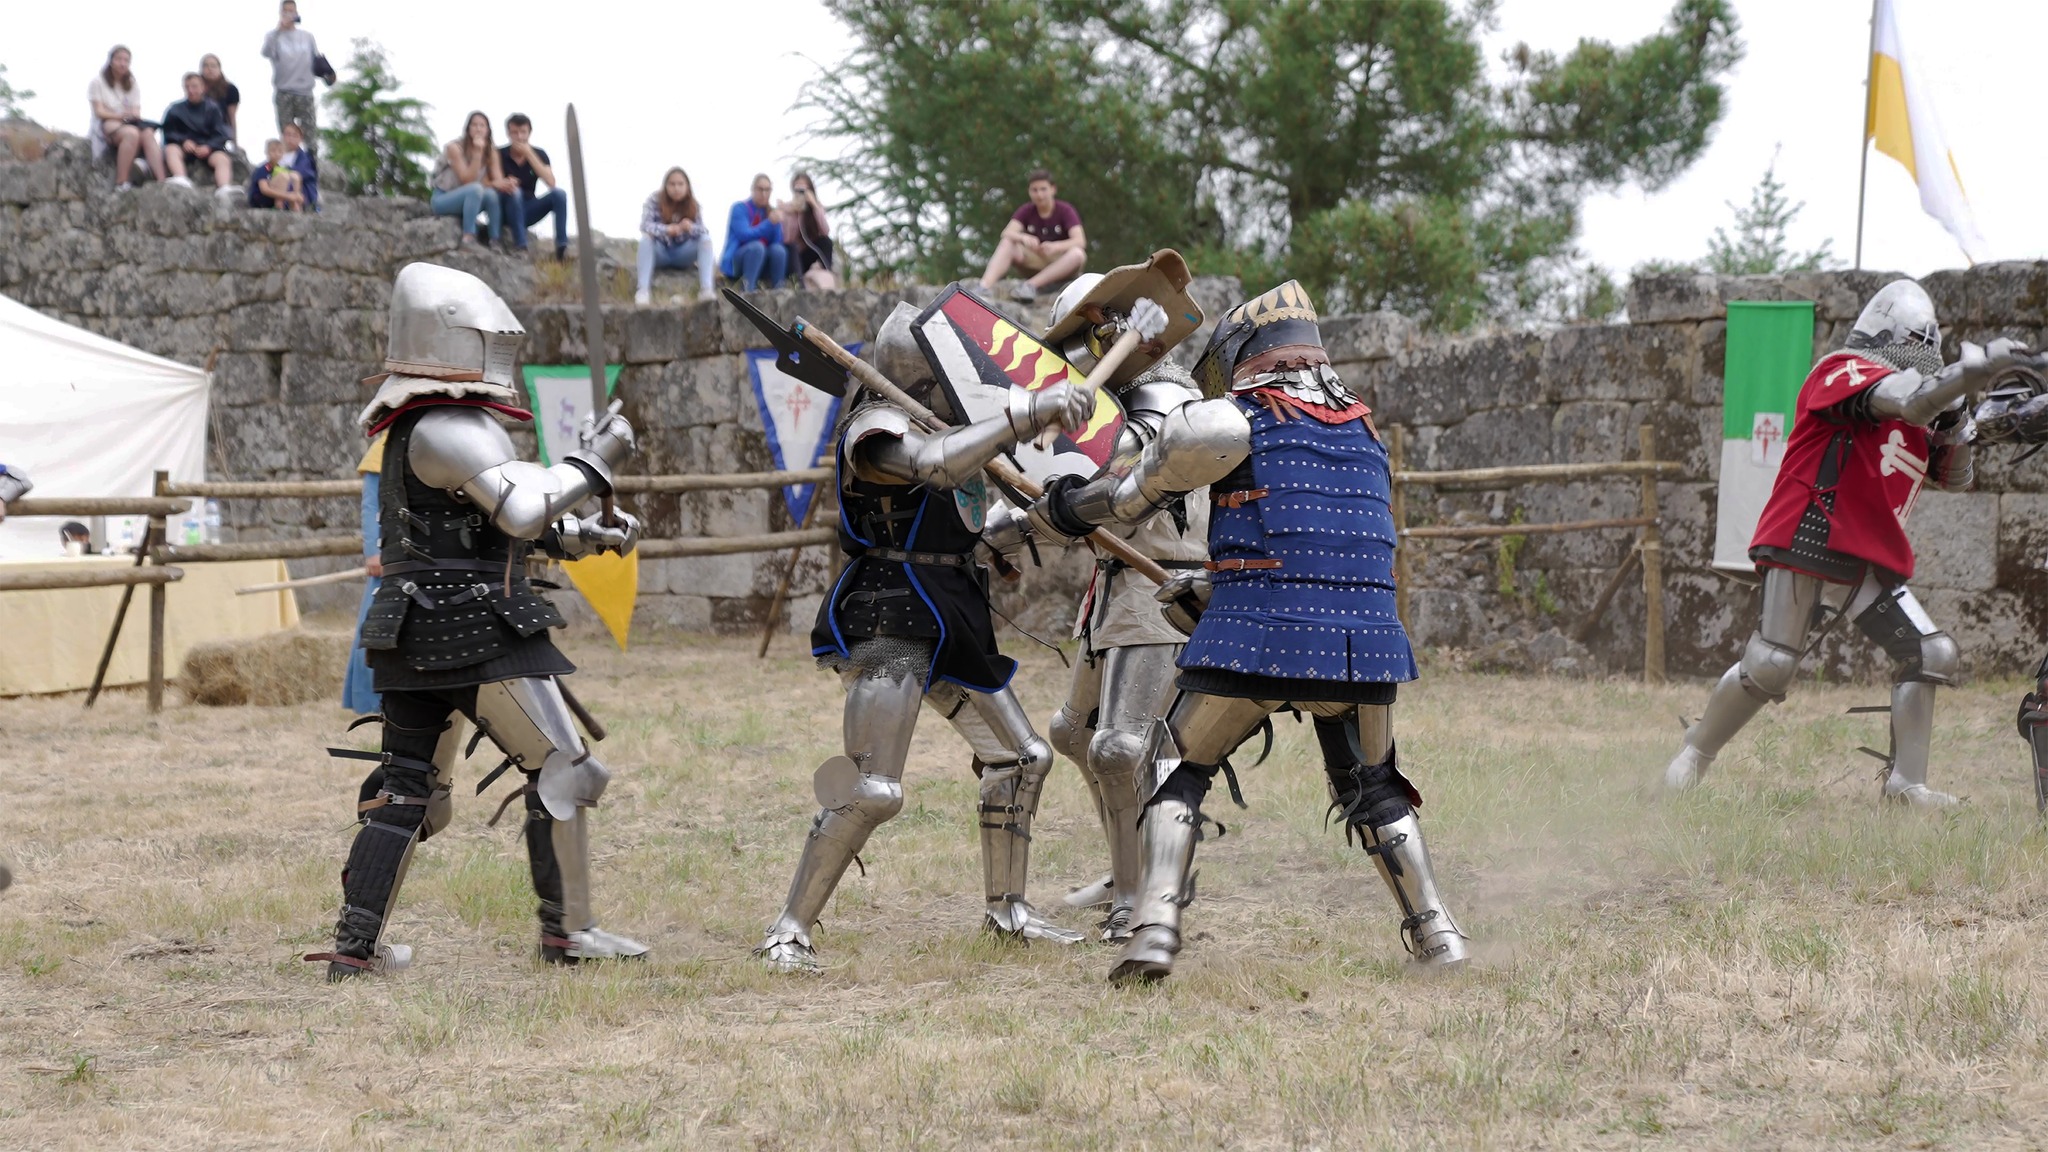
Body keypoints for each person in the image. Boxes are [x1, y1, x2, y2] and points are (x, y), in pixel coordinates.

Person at [1025, 281, 1466, 984]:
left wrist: (1057, 509)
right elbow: (1320, 547)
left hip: (1265, 635)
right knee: (1375, 783)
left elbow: (1128, 499)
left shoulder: (1228, 421)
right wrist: (1207, 587)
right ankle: (1437, 932)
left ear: (1241, 351)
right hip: (1368, 644)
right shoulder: (1363, 428)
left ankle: (1154, 932)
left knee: (1173, 765)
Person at [305, 261, 649, 980]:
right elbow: (523, 508)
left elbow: (485, 528)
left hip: (410, 626)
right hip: (474, 627)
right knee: (564, 770)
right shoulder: (449, 424)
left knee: (409, 790)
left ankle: (355, 950)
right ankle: (570, 933)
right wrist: (596, 458)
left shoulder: (416, 429)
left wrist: (585, 536)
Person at [755, 303, 1099, 972]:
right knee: (871, 787)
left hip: (952, 606)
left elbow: (981, 523)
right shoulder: (874, 427)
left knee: (1022, 758)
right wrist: (1028, 413)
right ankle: (788, 927)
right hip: (891, 610)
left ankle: (1009, 911)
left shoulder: (961, 431)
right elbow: (934, 467)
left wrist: (1062, 508)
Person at [1666, 281, 2034, 808]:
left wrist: (1957, 417)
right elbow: (1906, 402)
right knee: (1771, 664)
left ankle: (1907, 787)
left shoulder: (1926, 408)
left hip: (1866, 553)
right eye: (1917, 342)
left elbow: (1954, 476)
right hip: (1809, 531)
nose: (1922, 354)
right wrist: (1965, 376)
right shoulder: (1842, 370)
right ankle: (1692, 758)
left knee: (1932, 652)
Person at [987, 273, 1208, 941]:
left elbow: (1111, 494)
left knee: (1120, 749)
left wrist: (1026, 521)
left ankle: (1143, 898)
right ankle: (1129, 866)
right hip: (1119, 583)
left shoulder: (1162, 402)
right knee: (1072, 734)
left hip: (1159, 587)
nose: (1083, 356)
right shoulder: (1129, 401)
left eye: (1088, 339)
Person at [977, 170, 1086, 303]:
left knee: (1078, 254)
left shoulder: (1065, 210)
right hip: (1034, 261)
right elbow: (1006, 233)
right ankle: (983, 287)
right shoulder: (1026, 210)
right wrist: (1023, 237)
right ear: (1029, 191)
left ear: (1053, 189)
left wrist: (1056, 246)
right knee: (1007, 242)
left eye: (1043, 189)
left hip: (1060, 264)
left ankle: (1030, 286)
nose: (1039, 194)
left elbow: (1080, 241)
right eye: (1034, 190)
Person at [342, 433, 384, 714]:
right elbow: (371, 505)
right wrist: (373, 551)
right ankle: (370, 698)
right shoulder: (382, 450)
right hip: (388, 553)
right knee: (375, 624)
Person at [88, 45, 166, 190]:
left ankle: (161, 180)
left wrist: (131, 116)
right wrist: (120, 116)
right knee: (132, 134)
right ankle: (122, 182)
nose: (123, 63)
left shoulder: (132, 84)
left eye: (126, 60)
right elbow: (99, 111)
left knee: (148, 133)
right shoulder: (98, 82)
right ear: (111, 61)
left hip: (129, 121)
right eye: (119, 59)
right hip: (107, 122)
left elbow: (136, 110)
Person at [635, 167, 712, 304]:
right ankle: (643, 291)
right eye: (672, 184)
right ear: (666, 186)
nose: (676, 188)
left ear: (687, 186)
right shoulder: (654, 200)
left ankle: (706, 290)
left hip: (683, 254)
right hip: (661, 252)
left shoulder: (693, 205)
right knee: (645, 240)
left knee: (705, 240)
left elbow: (704, 231)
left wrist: (690, 227)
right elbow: (645, 225)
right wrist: (667, 230)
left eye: (680, 184)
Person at [498, 114, 570, 260]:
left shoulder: (539, 154)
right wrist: (505, 183)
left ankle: (562, 246)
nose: (519, 137)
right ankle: (521, 246)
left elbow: (551, 182)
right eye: (515, 132)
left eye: (523, 132)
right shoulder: (499, 154)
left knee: (559, 194)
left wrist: (529, 154)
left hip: (529, 208)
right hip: (506, 209)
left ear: (529, 133)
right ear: (508, 133)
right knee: (515, 192)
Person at [429, 112, 505, 246]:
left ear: (488, 130)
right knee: (475, 189)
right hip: (443, 199)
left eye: (482, 125)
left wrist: (506, 183)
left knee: (491, 194)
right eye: (474, 125)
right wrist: (477, 153)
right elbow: (467, 180)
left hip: (470, 199)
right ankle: (469, 236)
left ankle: (495, 239)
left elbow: (497, 181)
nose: (478, 129)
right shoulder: (454, 147)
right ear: (468, 128)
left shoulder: (490, 151)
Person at [261, 0, 322, 150]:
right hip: (284, 92)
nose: (289, 14)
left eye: (291, 11)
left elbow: (316, 60)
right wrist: (278, 30)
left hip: (305, 92)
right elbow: (266, 52)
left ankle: (311, 169)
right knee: (286, 136)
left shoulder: (307, 36)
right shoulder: (273, 36)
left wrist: (327, 74)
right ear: (281, 13)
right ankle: (288, 169)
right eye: (285, 11)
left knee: (310, 136)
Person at [161, 72, 235, 192]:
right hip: (184, 148)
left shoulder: (213, 109)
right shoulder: (175, 109)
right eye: (187, 87)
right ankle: (180, 178)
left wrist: (209, 146)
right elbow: (168, 131)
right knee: (170, 149)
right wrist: (183, 141)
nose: (190, 90)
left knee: (223, 159)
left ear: (203, 88)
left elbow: (221, 133)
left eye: (194, 86)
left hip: (209, 148)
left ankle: (224, 188)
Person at [720, 174, 788, 292]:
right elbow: (744, 235)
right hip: (738, 261)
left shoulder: (770, 212)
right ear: (753, 189)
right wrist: (769, 223)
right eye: (760, 189)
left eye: (767, 190)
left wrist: (777, 223)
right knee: (757, 247)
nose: (764, 194)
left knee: (779, 250)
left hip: (762, 262)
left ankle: (778, 289)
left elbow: (777, 241)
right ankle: (747, 289)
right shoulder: (739, 208)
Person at [778, 171, 835, 290]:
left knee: (826, 241)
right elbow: (788, 238)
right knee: (791, 247)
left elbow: (825, 230)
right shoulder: (788, 210)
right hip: (795, 256)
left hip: (811, 252)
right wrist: (794, 213)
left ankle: (825, 272)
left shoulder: (816, 208)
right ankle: (800, 285)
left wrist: (814, 205)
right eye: (797, 189)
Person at [249, 137, 308, 210]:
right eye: (273, 151)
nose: (276, 154)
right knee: (283, 176)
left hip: (275, 197)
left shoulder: (280, 168)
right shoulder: (264, 168)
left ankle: (295, 205)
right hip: (260, 200)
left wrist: (295, 195)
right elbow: (264, 189)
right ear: (267, 152)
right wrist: (288, 196)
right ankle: (279, 205)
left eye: (280, 151)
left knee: (295, 175)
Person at [199, 54, 241, 146]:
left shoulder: (230, 89)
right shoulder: (196, 89)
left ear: (219, 68)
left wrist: (235, 143)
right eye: (206, 66)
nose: (209, 69)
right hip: (198, 129)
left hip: (220, 130)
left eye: (213, 66)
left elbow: (231, 118)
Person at [280, 120, 319, 209]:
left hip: (301, 192)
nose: (290, 138)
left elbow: (299, 173)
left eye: (294, 135)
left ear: (300, 138)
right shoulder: (277, 157)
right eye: (288, 135)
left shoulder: (305, 158)